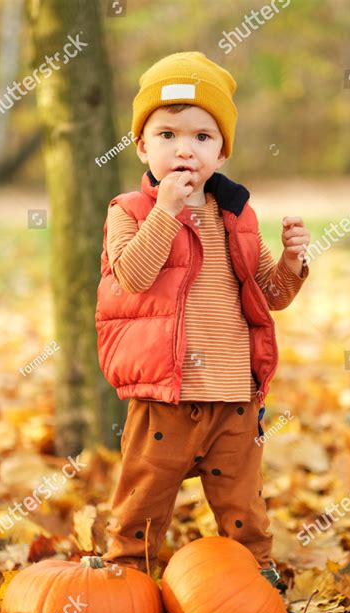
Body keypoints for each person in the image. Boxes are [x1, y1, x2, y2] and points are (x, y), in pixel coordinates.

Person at [95, 51, 311, 580]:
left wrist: (290, 262)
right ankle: (128, 582)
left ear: (221, 150)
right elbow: (133, 277)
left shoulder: (236, 215)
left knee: (243, 507)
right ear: (142, 146)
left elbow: (269, 295)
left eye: (201, 137)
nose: (183, 150)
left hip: (232, 395)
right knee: (143, 500)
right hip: (164, 396)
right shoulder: (130, 212)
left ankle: (253, 581)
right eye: (166, 135)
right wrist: (166, 212)